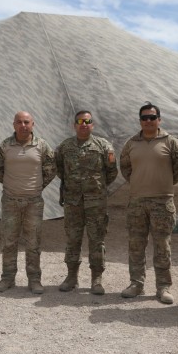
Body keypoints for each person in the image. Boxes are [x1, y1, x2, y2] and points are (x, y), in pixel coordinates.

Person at [119, 102, 178, 303]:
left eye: (152, 117)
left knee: (162, 245)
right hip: (137, 201)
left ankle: (163, 287)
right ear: (140, 121)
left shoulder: (171, 142)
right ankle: (136, 283)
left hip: (162, 201)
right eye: (144, 118)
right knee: (136, 244)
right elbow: (125, 168)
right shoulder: (131, 143)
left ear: (159, 120)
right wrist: (140, 182)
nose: (148, 121)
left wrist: (162, 183)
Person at [0, 111, 56, 294]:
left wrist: (37, 186)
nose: (23, 125)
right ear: (13, 125)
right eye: (19, 122)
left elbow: (51, 169)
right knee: (9, 242)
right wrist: (11, 183)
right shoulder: (5, 146)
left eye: (26, 122)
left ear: (33, 124)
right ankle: (7, 278)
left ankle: (34, 279)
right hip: (10, 201)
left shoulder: (42, 146)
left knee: (33, 242)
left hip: (33, 202)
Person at [55, 110, 118, 295]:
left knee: (97, 240)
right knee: (72, 239)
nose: (84, 124)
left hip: (96, 203)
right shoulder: (64, 147)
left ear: (92, 125)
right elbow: (59, 170)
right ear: (74, 125)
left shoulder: (103, 146)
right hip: (73, 202)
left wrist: (96, 188)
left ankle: (96, 279)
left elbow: (111, 172)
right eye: (80, 121)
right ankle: (71, 277)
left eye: (87, 121)